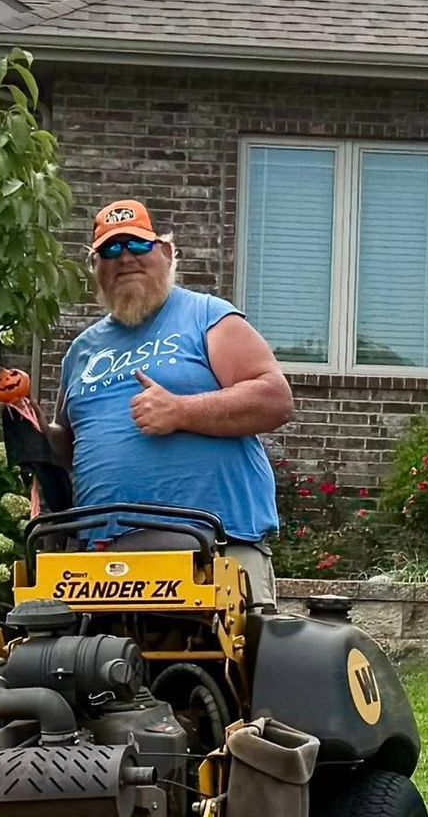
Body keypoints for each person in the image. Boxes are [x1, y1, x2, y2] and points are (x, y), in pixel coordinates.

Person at [51, 199, 292, 607]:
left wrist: (181, 411)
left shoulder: (207, 315)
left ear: (165, 253)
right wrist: (30, 431)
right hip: (105, 564)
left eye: (137, 246)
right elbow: (71, 447)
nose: (124, 258)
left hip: (214, 549)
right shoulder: (82, 351)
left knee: (234, 670)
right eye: (109, 251)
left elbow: (274, 398)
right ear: (96, 269)